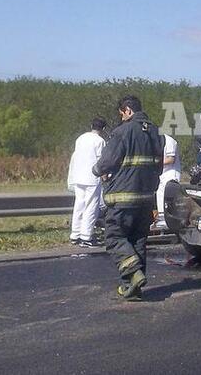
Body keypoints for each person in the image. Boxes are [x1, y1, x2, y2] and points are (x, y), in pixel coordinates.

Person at [93, 95, 163, 301]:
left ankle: (133, 274)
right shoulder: (156, 133)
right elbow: (158, 167)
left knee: (114, 238)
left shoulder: (122, 131)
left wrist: (96, 169)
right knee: (137, 240)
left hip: (123, 197)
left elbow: (107, 162)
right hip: (146, 197)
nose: (121, 117)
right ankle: (133, 288)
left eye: (122, 113)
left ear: (128, 111)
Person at [67, 117, 107, 247]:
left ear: (91, 125)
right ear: (103, 129)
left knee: (79, 205)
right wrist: (104, 176)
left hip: (78, 176)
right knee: (91, 207)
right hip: (92, 178)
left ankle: (75, 234)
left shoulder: (81, 138)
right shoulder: (100, 141)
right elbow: (101, 161)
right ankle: (86, 236)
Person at [154, 133, 181, 230]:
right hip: (162, 174)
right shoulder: (157, 141)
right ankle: (162, 218)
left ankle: (169, 220)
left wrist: (155, 162)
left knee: (168, 199)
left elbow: (171, 159)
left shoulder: (169, 140)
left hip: (170, 173)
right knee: (160, 196)